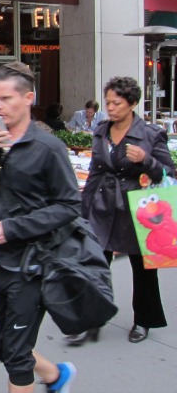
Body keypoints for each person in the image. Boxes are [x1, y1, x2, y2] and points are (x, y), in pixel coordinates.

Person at [0, 62, 80, 393]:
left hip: (34, 264)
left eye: (7, 98)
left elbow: (70, 205)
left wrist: (14, 228)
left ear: (29, 97)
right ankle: (56, 375)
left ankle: (46, 376)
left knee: (15, 355)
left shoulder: (48, 148)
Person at [79, 76, 174, 345]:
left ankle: (144, 320)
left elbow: (168, 173)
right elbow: (95, 171)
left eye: (116, 103)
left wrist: (146, 161)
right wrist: (84, 213)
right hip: (102, 207)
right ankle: (92, 317)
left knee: (143, 270)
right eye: (107, 102)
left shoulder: (150, 134)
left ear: (132, 103)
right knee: (96, 266)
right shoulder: (100, 130)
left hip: (137, 210)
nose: (110, 107)